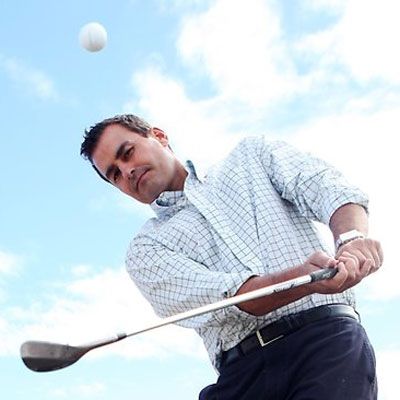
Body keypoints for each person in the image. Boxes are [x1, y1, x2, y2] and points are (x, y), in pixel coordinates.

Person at [80, 114, 383, 400]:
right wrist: (303, 280)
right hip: (242, 375)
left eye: (128, 153)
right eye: (115, 174)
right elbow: (232, 298)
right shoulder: (144, 250)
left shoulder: (252, 156)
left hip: (327, 346)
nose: (127, 171)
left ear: (159, 136)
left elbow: (325, 187)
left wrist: (351, 240)